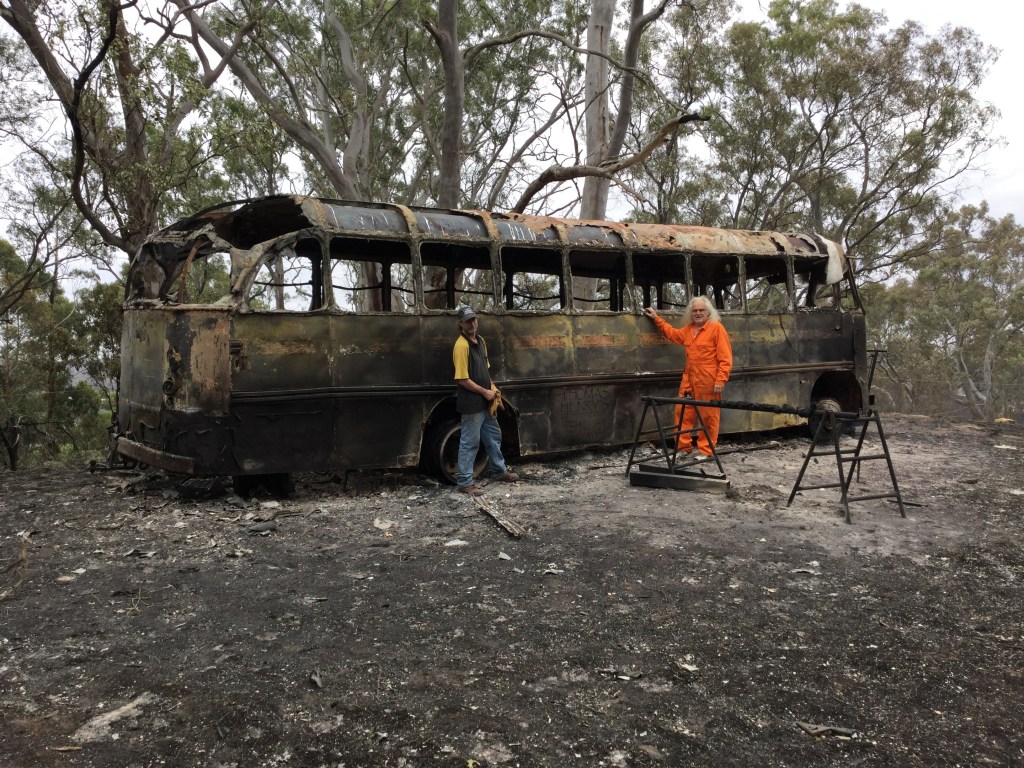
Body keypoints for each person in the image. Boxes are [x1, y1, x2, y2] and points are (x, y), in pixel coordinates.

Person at [643, 298, 733, 458]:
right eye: (695, 311)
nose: (698, 313)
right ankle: (683, 448)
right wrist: (657, 319)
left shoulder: (716, 328)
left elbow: (725, 358)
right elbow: (673, 334)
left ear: (708, 312)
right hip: (689, 378)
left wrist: (720, 380)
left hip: (709, 380)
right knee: (682, 412)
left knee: (708, 415)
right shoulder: (689, 330)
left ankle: (706, 451)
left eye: (701, 310)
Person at [452, 305, 520, 495]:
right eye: (468, 321)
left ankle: (498, 471)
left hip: (485, 400)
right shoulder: (461, 345)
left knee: (493, 436)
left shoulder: (480, 341)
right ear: (461, 324)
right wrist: (484, 392)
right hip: (472, 403)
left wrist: (492, 388)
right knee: (470, 442)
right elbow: (461, 379)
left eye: (474, 319)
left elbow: (484, 370)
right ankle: (465, 482)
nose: (472, 323)